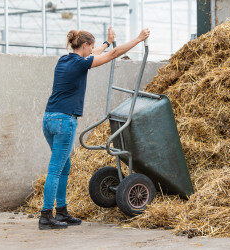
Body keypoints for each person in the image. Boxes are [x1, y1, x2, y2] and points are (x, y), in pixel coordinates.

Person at [39, 26, 150, 230]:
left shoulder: (65, 60)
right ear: (84, 45)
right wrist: (138, 39)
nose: (92, 50)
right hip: (65, 121)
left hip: (49, 119)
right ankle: (46, 215)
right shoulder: (80, 64)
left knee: (64, 166)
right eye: (91, 47)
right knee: (55, 169)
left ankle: (61, 211)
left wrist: (107, 42)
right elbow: (114, 55)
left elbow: (96, 53)